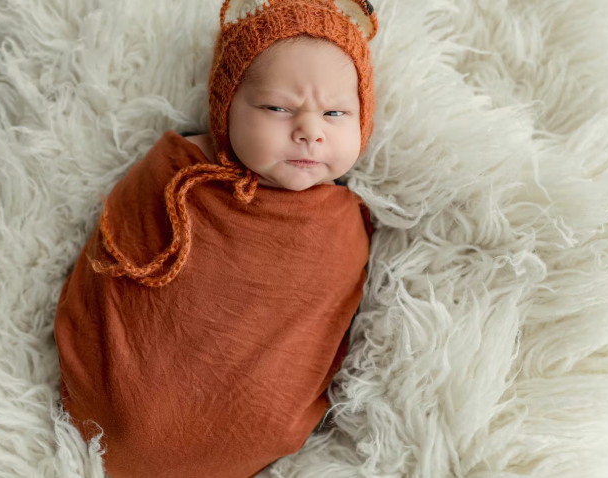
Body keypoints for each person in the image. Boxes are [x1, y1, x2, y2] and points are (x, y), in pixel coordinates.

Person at [53, 1, 380, 476]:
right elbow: (119, 272)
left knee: (266, 410)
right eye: (277, 108)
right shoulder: (177, 175)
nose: (310, 131)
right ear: (226, 110)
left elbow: (319, 329)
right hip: (122, 406)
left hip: (248, 427)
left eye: (335, 112)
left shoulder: (343, 225)